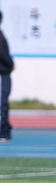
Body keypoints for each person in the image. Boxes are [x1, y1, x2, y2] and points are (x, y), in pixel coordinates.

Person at [0, 10, 13, 143]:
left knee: (2, 103)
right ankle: (3, 132)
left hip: (3, 72)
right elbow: (2, 53)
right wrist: (11, 64)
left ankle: (4, 131)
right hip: (2, 73)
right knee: (2, 104)